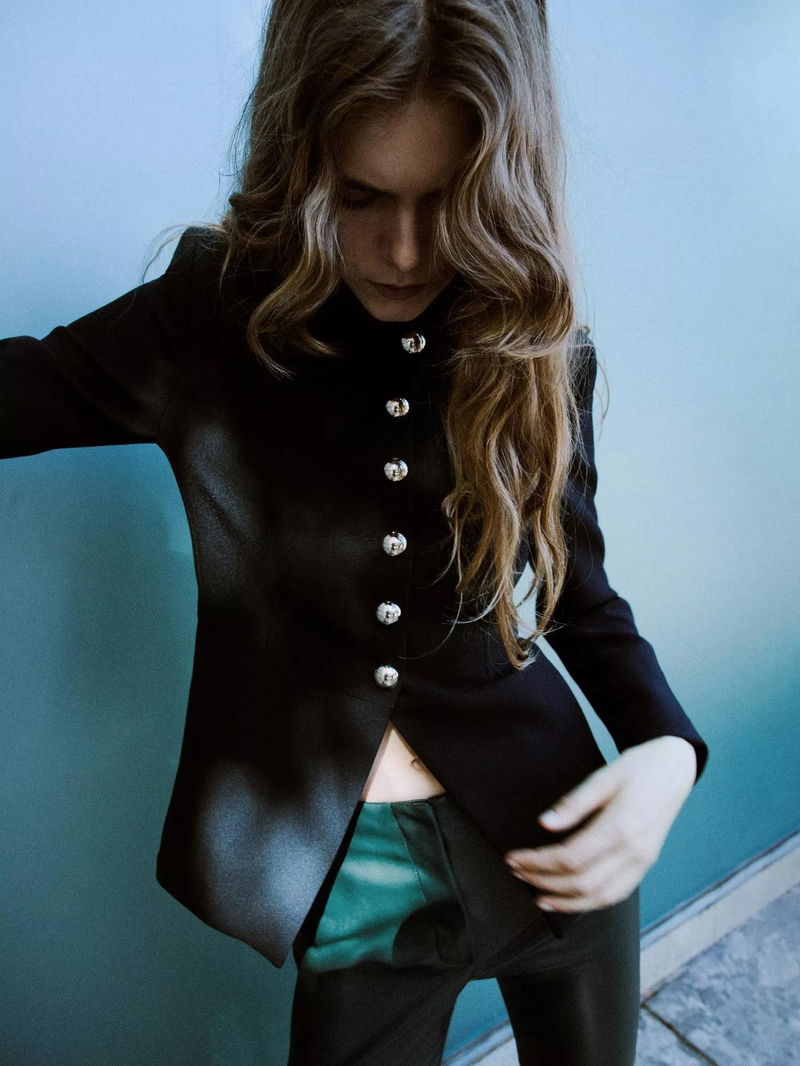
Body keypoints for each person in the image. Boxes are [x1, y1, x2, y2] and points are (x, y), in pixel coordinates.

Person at [1, 1, 710, 1063]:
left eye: (446, 200)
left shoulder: (530, 340)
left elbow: (577, 591)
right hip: (366, 875)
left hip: (558, 836)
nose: (405, 251)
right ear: (301, 164)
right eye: (361, 195)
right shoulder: (211, 317)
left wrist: (664, 750)